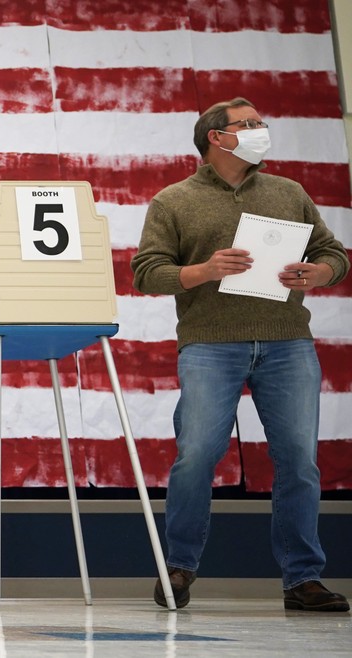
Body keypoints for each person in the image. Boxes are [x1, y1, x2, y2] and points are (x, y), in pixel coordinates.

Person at [133, 98, 349, 612]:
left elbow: (332, 254)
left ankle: (303, 579)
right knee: (196, 457)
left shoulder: (289, 192)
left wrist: (320, 273)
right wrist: (203, 271)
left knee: (298, 461)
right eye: (247, 124)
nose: (260, 130)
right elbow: (146, 271)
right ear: (216, 137)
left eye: (259, 122)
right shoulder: (174, 200)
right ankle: (178, 567)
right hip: (209, 345)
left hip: (288, 342)